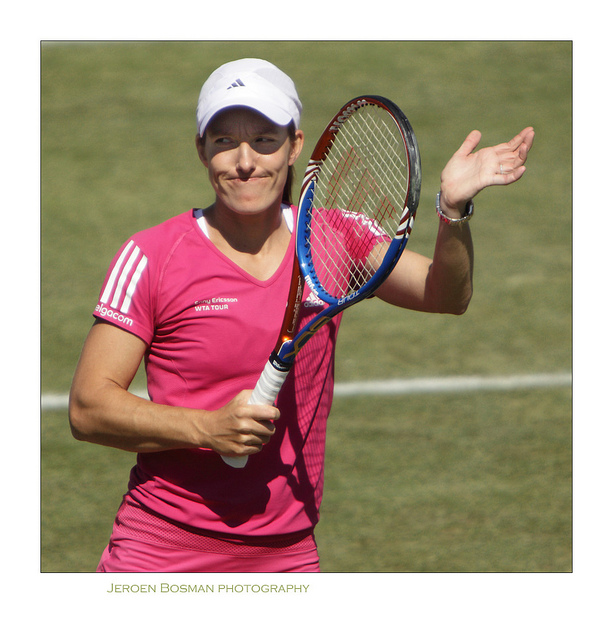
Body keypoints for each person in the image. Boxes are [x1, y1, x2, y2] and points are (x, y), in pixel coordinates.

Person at [69, 58, 534, 572]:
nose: (245, 161)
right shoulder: (153, 255)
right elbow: (88, 408)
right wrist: (206, 429)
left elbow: (445, 294)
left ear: (294, 147)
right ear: (201, 149)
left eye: (264, 141)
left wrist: (453, 211)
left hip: (288, 557)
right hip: (161, 552)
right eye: (224, 141)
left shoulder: (336, 236)